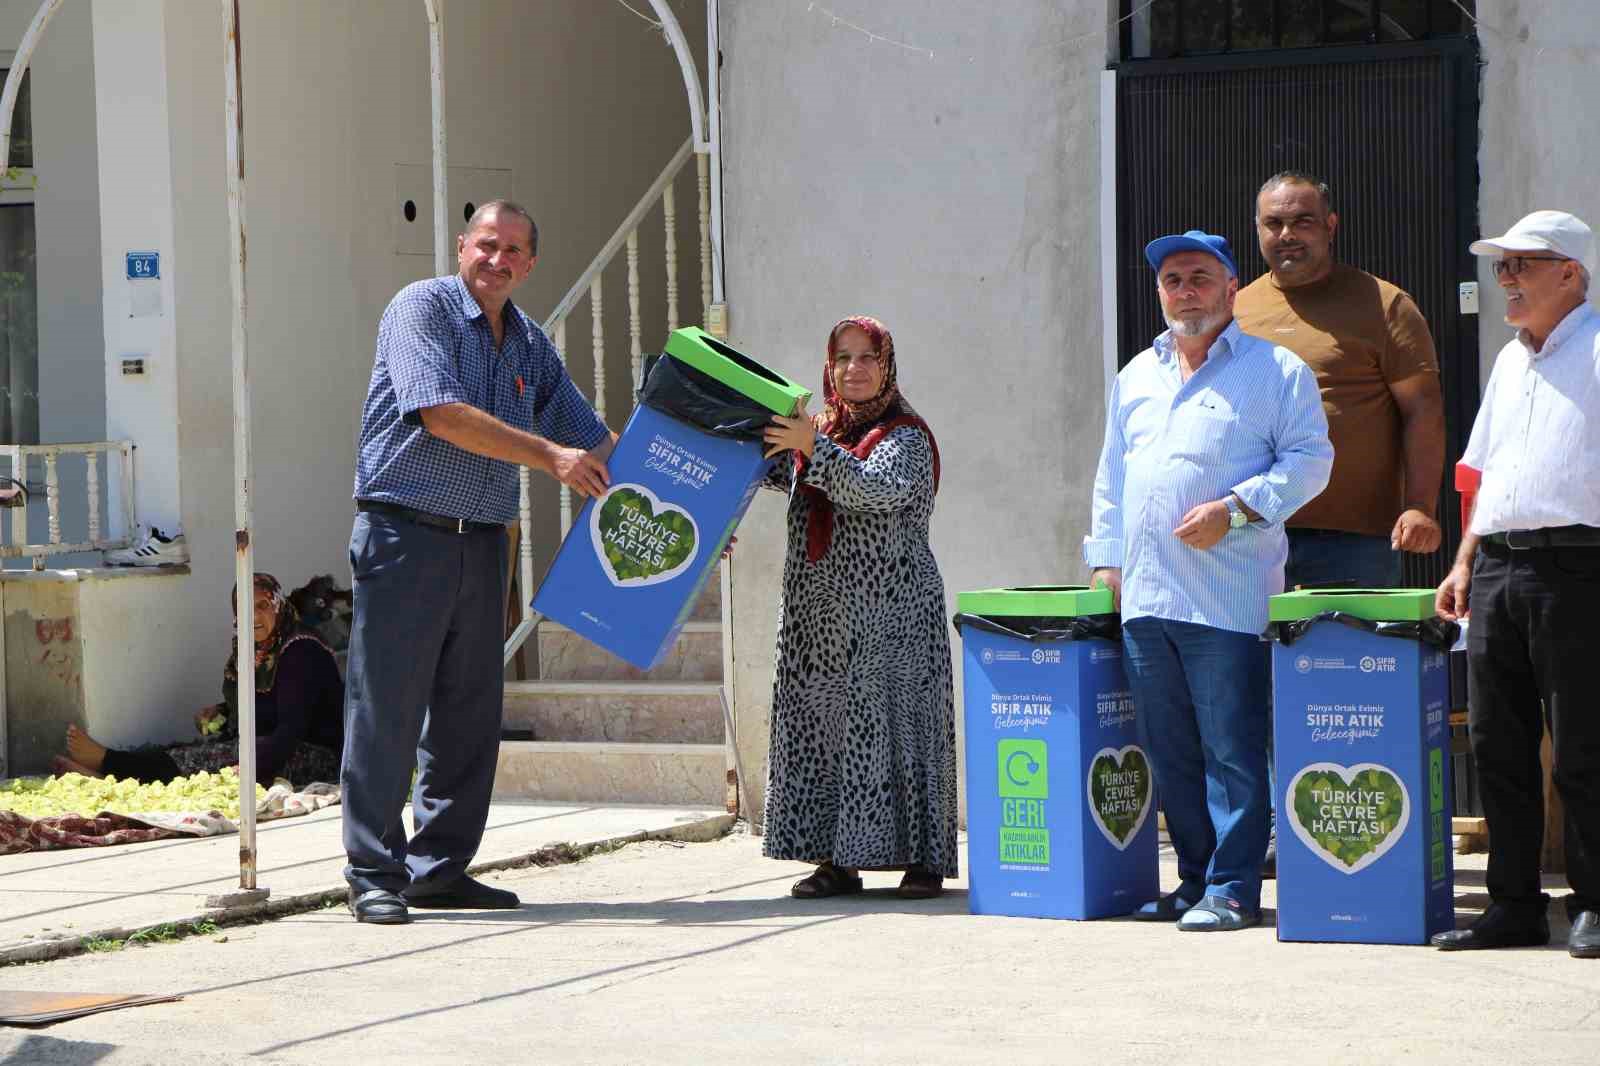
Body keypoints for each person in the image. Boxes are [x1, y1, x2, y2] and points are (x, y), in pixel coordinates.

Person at [343, 200, 614, 925]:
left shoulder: (528, 340)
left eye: (514, 251)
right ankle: (374, 873)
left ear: (530, 264)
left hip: (485, 540)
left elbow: (590, 439)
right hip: (406, 534)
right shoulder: (420, 309)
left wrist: (688, 512)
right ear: (462, 246)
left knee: (467, 718)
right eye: (486, 245)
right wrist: (549, 455)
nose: (498, 260)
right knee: (388, 711)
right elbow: (440, 412)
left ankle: (440, 870)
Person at [1086, 231, 1332, 931]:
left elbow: (1311, 460)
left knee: (1231, 749)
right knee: (1171, 752)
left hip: (1227, 595)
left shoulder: (1275, 370)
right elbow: (1112, 477)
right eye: (1171, 279)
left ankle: (1233, 888)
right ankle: (1193, 881)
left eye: (1199, 276)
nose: (1185, 290)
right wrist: (1106, 559)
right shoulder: (1136, 375)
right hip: (1147, 594)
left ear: (1231, 288)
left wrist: (1235, 509)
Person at [1433, 210, 1600, 960]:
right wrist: (1465, 560)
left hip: (1580, 566)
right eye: (1500, 266)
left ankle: (1594, 903)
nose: (1506, 278)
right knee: (1499, 745)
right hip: (1499, 565)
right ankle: (1513, 906)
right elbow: (1487, 473)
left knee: (1582, 748)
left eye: (1522, 264)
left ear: (1570, 272)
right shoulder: (1509, 360)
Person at [758, 315, 958, 900]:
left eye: (868, 356)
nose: (855, 369)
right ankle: (836, 860)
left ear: (887, 364)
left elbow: (872, 488)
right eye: (843, 358)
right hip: (821, 619)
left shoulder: (907, 436)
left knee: (904, 732)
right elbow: (763, 474)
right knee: (826, 733)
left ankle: (924, 860)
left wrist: (810, 446)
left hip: (896, 618)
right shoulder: (817, 432)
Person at [1235, 171, 1445, 589]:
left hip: (1352, 542)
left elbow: (1423, 410)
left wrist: (1420, 505)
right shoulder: (1236, 308)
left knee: (1346, 656)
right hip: (1249, 533)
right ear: (1258, 229)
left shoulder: (1385, 305)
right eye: (1273, 223)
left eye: (1303, 221)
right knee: (1252, 656)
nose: (1287, 234)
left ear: (1331, 226)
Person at [53, 574, 343, 789]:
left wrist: (245, 771)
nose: (253, 617)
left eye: (263, 606)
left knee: (209, 762)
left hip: (312, 754)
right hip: (273, 744)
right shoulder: (255, 648)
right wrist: (223, 711)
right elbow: (266, 701)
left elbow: (291, 727)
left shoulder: (300, 649)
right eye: (243, 608)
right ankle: (109, 774)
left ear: (278, 606)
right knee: (188, 752)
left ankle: (108, 765)